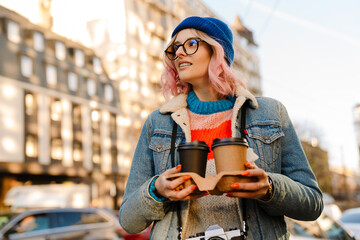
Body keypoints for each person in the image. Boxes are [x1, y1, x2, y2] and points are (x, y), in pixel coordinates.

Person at [119, 16, 323, 239]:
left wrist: (270, 189)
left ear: (217, 50)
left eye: (191, 44)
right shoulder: (157, 123)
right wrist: (156, 191)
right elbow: (129, 221)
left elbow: (312, 203)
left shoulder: (270, 114)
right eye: (174, 48)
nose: (178, 53)